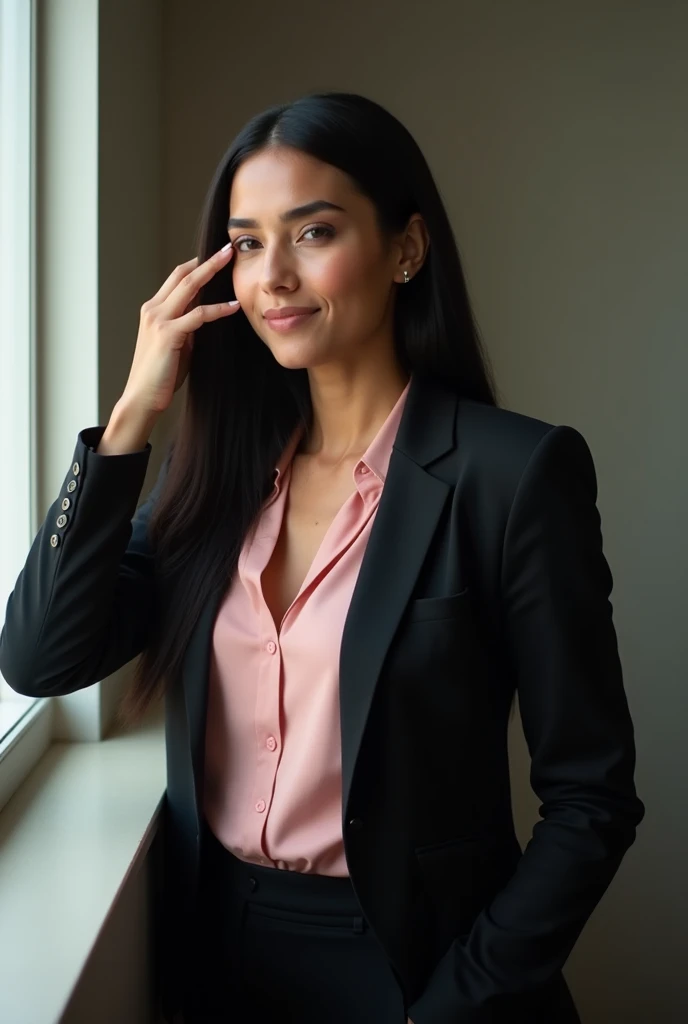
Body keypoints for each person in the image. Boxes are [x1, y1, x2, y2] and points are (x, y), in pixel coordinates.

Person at [0, 92, 644, 1024]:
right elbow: (40, 656)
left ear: (407, 249)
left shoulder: (512, 474)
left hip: (419, 970)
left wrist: (452, 1005)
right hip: (214, 956)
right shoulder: (207, 477)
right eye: (248, 241)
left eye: (313, 233)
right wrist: (133, 415)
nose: (274, 277)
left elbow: (592, 797)